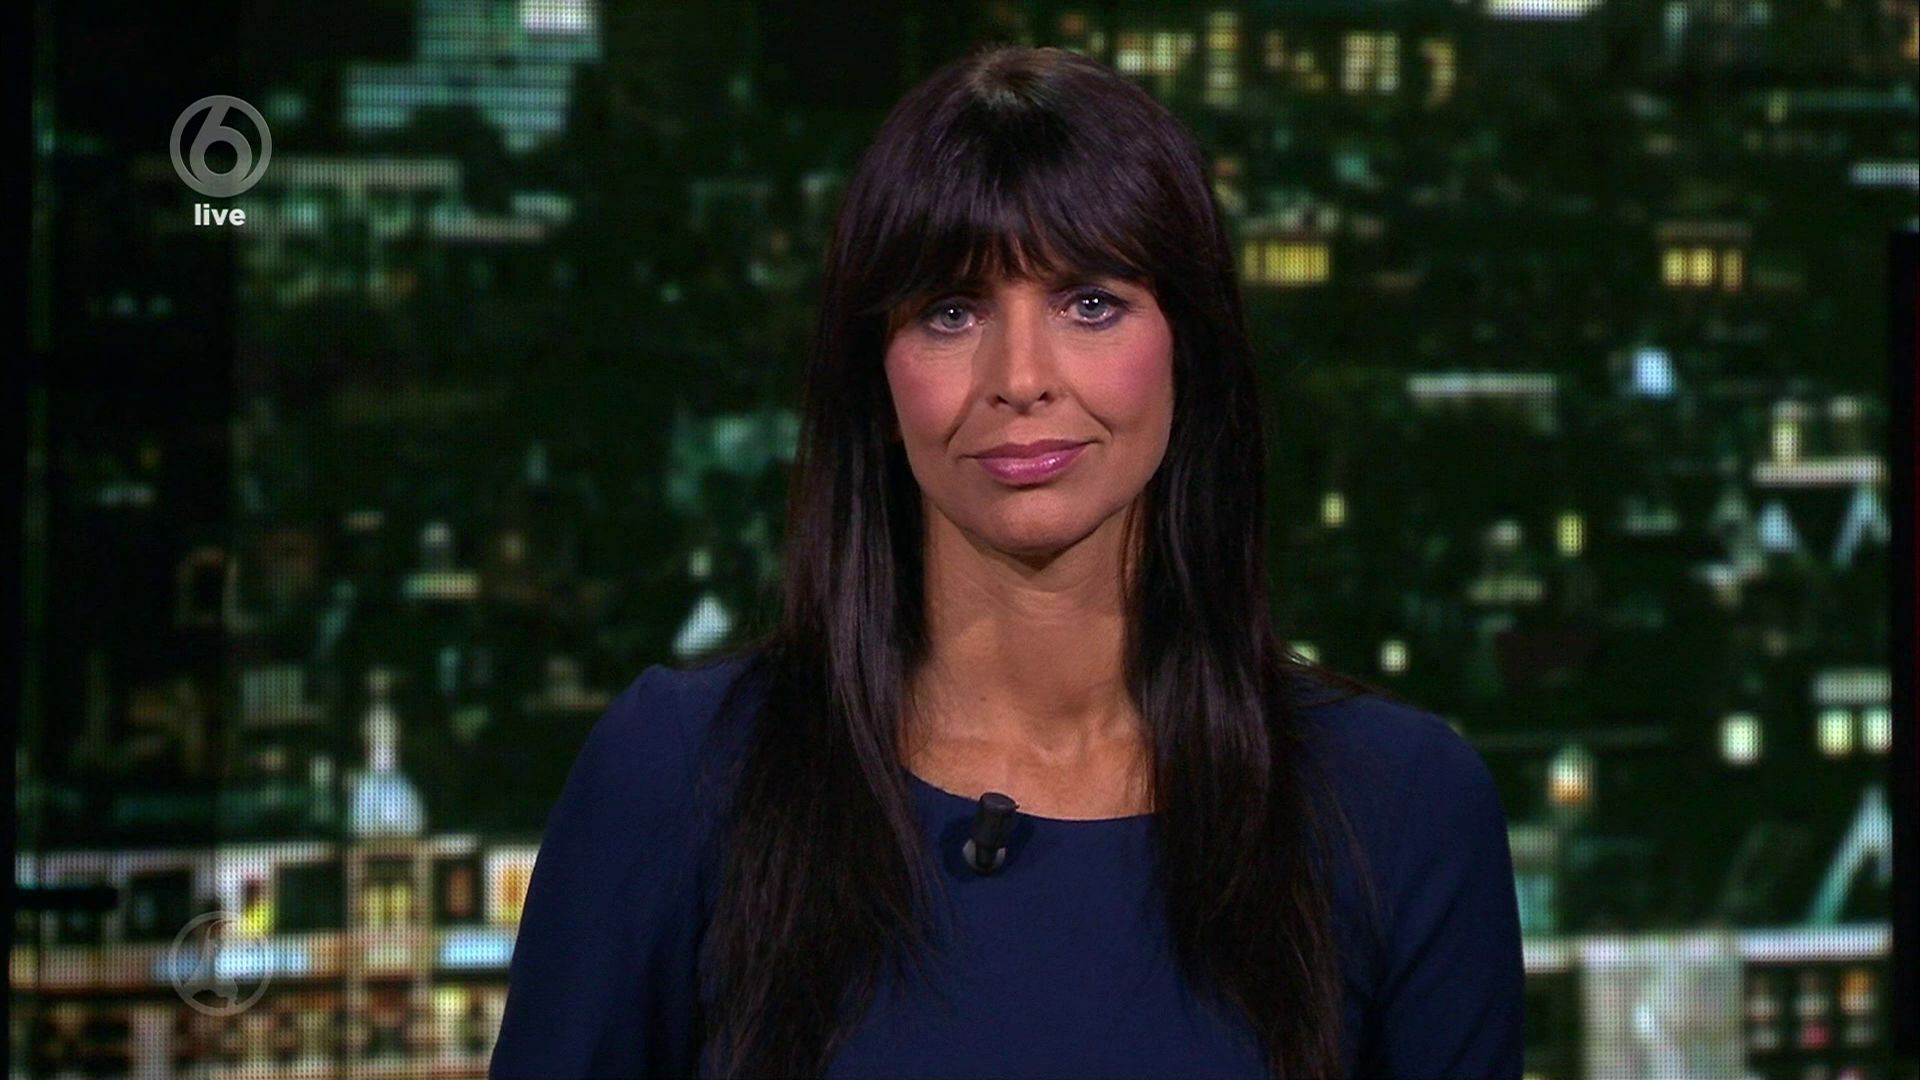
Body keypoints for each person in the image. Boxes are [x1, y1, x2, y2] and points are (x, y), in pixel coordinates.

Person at [491, 43, 1524, 1080]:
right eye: (952, 311)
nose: (1020, 377)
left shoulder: (1399, 809)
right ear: (877, 375)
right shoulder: (679, 775)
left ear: (1190, 346)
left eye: (1090, 303)